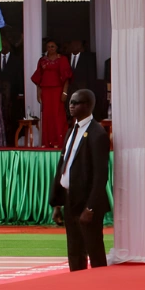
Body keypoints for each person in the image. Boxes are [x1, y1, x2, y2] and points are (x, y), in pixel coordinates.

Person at [49, 89, 111, 272]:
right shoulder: (70, 131)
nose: (71, 105)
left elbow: (101, 175)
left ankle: (101, 289)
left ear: (89, 105)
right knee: (74, 251)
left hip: (87, 203)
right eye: (71, 102)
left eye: (77, 102)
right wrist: (57, 203)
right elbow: (63, 168)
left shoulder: (97, 133)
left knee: (94, 250)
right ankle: (77, 288)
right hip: (70, 199)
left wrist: (90, 207)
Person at [31, 39, 72, 148]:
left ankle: (58, 141)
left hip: (58, 90)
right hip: (46, 91)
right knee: (47, 116)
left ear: (57, 47)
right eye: (48, 46)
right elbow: (38, 78)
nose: (50, 48)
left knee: (57, 116)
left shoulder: (62, 59)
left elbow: (67, 77)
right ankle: (46, 141)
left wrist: (65, 92)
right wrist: (38, 93)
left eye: (52, 46)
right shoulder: (42, 60)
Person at [0, 38, 25, 146]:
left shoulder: (16, 60)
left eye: (5, 44)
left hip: (12, 96)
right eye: (1, 44)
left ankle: (11, 142)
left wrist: (21, 93)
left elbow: (20, 77)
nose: (3, 46)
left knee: (11, 120)